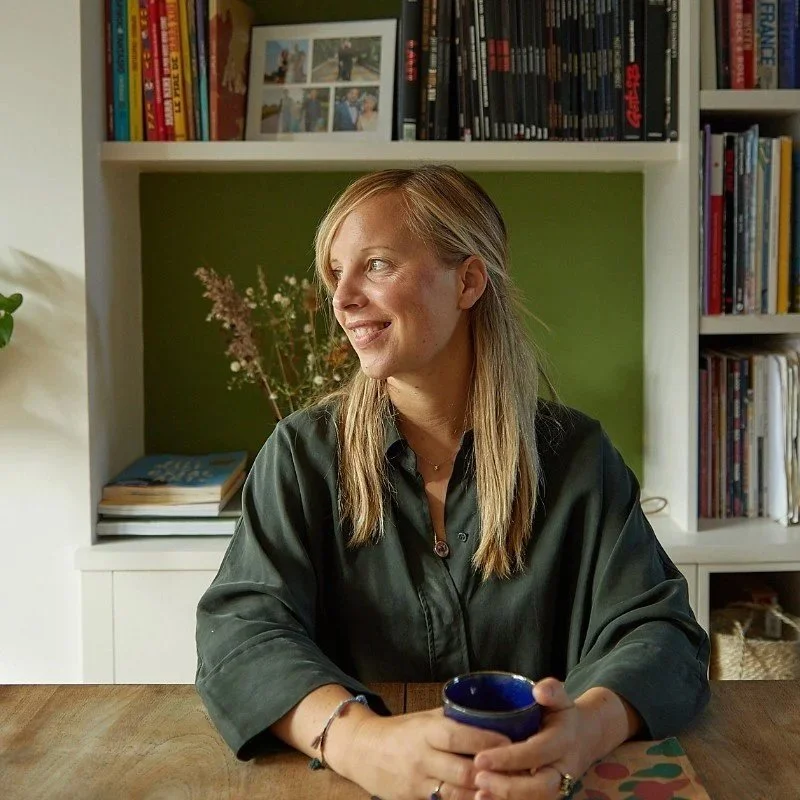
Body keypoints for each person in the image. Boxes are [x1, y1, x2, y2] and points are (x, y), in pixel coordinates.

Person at [195, 165, 710, 800]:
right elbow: (241, 633)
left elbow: (662, 634)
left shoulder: (577, 457)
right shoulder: (300, 456)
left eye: (376, 265)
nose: (343, 298)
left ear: (468, 280)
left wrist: (587, 729)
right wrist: (360, 742)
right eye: (336, 274)